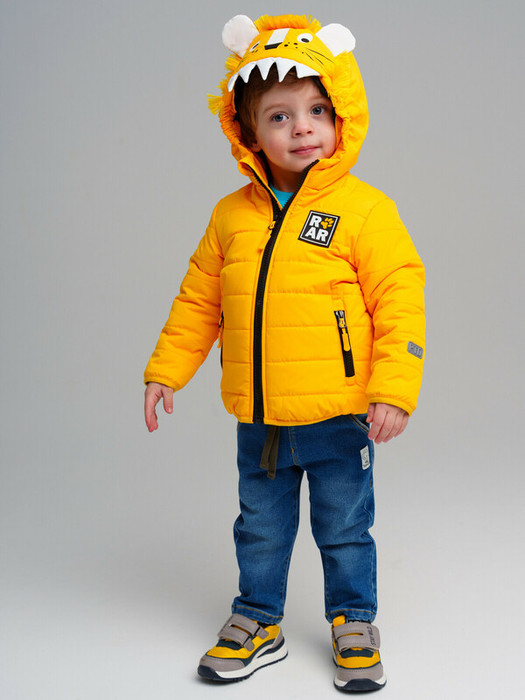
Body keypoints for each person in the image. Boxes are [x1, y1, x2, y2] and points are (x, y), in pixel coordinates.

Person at [144, 13, 425, 693]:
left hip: (339, 413)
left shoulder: (365, 211)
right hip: (262, 415)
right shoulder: (230, 216)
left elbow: (399, 299)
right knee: (260, 528)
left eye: (317, 111)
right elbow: (198, 301)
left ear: (341, 116)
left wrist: (393, 388)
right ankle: (257, 617)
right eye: (279, 116)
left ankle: (353, 620)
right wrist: (166, 371)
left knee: (345, 527)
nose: (302, 128)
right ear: (246, 132)